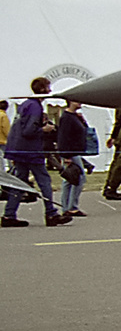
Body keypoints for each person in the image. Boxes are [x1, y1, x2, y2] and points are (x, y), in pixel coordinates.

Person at [3, 77, 71, 228]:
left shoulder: (25, 104)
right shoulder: (35, 107)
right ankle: (51, 213)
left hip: (18, 149)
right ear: (42, 90)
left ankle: (9, 214)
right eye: (48, 87)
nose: (50, 90)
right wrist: (44, 130)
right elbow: (29, 131)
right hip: (30, 150)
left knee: (19, 182)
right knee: (44, 181)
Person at [55, 99, 93, 217]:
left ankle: (67, 206)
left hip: (76, 150)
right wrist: (66, 155)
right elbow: (63, 137)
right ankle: (72, 206)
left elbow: (84, 130)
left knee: (69, 179)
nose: (80, 103)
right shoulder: (66, 118)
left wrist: (82, 120)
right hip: (71, 152)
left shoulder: (75, 117)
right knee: (78, 178)